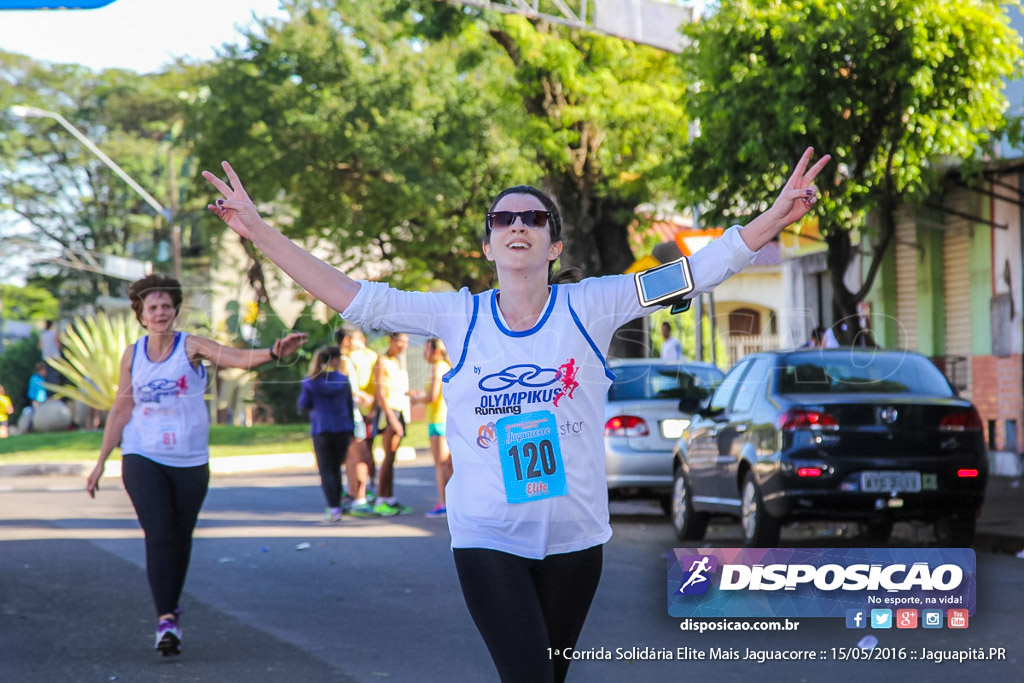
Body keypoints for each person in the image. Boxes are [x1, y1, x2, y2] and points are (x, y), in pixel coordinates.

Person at [204, 147, 828, 681]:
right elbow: (353, 295)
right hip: (487, 535)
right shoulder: (459, 315)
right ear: (487, 243)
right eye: (503, 219)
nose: (517, 226)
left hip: (574, 539)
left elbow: (697, 270)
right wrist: (259, 230)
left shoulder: (593, 304)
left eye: (533, 218)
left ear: (554, 243)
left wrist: (774, 217)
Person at [85, 273, 307, 657]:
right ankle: (165, 619)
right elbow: (122, 408)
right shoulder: (132, 354)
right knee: (159, 533)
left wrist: (274, 353)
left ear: (175, 310)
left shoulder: (192, 346)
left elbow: (236, 358)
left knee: (180, 535)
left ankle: (171, 610)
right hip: (142, 453)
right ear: (141, 314)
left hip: (189, 459)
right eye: (152, 307)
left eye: (166, 306)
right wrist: (101, 461)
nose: (160, 313)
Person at [298, 345, 355, 522]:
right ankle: (338, 504)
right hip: (343, 428)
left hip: (321, 429)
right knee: (337, 469)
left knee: (326, 470)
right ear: (336, 360)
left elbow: (303, 404)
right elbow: (349, 405)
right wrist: (352, 428)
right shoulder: (343, 380)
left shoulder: (310, 382)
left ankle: (333, 508)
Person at [334, 328, 378, 517]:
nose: (359, 343)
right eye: (355, 339)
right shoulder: (343, 361)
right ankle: (359, 499)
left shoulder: (338, 359)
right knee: (359, 457)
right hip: (350, 414)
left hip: (344, 414)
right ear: (346, 340)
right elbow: (346, 388)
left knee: (353, 457)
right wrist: (363, 396)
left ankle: (354, 495)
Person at [370, 332, 413, 516]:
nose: (404, 345)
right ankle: (381, 499)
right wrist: (392, 418)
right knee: (388, 457)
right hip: (389, 412)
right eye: (401, 341)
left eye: (407, 342)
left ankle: (389, 498)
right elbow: (380, 393)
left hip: (400, 410)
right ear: (392, 340)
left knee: (392, 456)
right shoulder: (381, 361)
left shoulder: (396, 363)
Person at [409, 337, 453, 518]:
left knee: (441, 465)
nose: (423, 354)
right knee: (448, 465)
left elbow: (433, 396)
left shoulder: (438, 366)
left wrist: (417, 398)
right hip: (445, 419)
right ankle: (450, 502)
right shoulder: (446, 365)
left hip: (437, 421)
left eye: (426, 350)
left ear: (435, 351)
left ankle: (445, 504)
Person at [39, 320, 62, 384]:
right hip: (55, 356)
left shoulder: (43, 335)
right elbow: (58, 345)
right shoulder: (53, 333)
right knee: (55, 375)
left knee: (48, 375)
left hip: (46, 357)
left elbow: (40, 346)